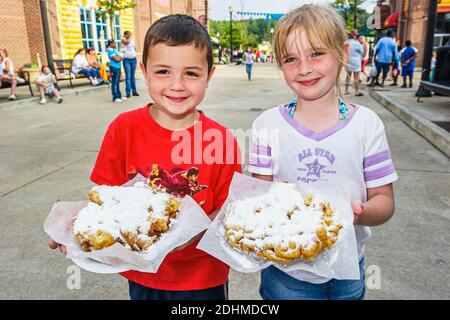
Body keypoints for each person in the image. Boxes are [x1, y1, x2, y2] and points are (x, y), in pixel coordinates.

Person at [48, 14, 241, 300]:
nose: (177, 85)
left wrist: (188, 234)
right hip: (141, 272)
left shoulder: (222, 140)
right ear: (144, 70)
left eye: (191, 73)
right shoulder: (123, 129)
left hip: (201, 277)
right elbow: (105, 200)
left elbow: (227, 210)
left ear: (209, 77)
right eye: (163, 71)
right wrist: (76, 226)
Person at [248, 4, 397, 300]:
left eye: (316, 53)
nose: (304, 68)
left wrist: (357, 213)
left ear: (342, 52)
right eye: (291, 58)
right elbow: (258, 201)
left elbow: (385, 202)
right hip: (286, 273)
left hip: (348, 270)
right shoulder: (266, 125)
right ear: (280, 64)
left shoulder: (366, 125)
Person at [344, 31, 364, 96]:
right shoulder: (357, 43)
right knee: (356, 77)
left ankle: (346, 91)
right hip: (356, 62)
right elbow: (361, 51)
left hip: (348, 61)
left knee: (348, 76)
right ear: (354, 36)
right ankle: (356, 91)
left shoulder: (345, 43)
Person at [121, 31, 139, 98]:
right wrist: (131, 36)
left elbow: (134, 47)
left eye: (130, 34)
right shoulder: (123, 39)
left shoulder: (132, 41)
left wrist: (135, 53)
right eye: (128, 34)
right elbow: (127, 42)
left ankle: (134, 91)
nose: (129, 35)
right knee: (128, 77)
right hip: (126, 61)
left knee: (133, 76)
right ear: (125, 35)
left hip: (133, 60)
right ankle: (128, 92)